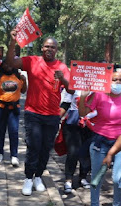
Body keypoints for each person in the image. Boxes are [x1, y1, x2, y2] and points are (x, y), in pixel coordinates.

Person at [5, 32, 71, 195]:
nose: (49, 49)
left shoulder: (62, 67)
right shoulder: (32, 61)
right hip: (33, 113)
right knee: (33, 146)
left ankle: (38, 176)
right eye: (47, 46)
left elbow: (71, 89)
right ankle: (28, 178)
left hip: (52, 115)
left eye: (52, 47)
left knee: (46, 148)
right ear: (42, 48)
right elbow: (10, 62)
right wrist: (13, 42)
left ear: (57, 50)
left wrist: (62, 79)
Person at [79, 68, 121, 206]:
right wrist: (83, 96)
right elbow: (83, 113)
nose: (117, 83)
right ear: (107, 81)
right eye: (114, 80)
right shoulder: (99, 95)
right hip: (99, 142)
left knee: (118, 180)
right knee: (96, 178)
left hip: (120, 144)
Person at [0, 61, 27, 166]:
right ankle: (0, 153)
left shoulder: (17, 76)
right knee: (0, 131)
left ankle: (14, 155)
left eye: (10, 64)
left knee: (14, 132)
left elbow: (24, 91)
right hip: (1, 107)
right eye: (6, 64)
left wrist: (25, 81)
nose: (8, 66)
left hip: (14, 108)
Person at [61, 90, 95, 194]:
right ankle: (68, 179)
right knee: (73, 152)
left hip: (92, 124)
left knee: (87, 152)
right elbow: (65, 105)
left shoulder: (99, 87)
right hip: (73, 123)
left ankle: (83, 177)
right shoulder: (73, 87)